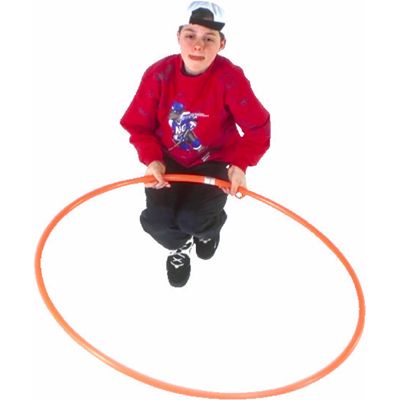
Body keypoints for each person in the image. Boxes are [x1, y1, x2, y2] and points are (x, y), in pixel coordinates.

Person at [120, 1, 271, 287]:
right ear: (178, 37)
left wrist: (239, 165)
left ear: (222, 43)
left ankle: (207, 230)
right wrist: (152, 159)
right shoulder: (159, 74)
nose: (198, 45)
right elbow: (138, 124)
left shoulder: (230, 79)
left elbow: (258, 128)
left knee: (193, 219)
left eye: (209, 38)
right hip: (167, 159)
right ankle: (181, 245)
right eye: (190, 35)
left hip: (213, 160)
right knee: (156, 221)